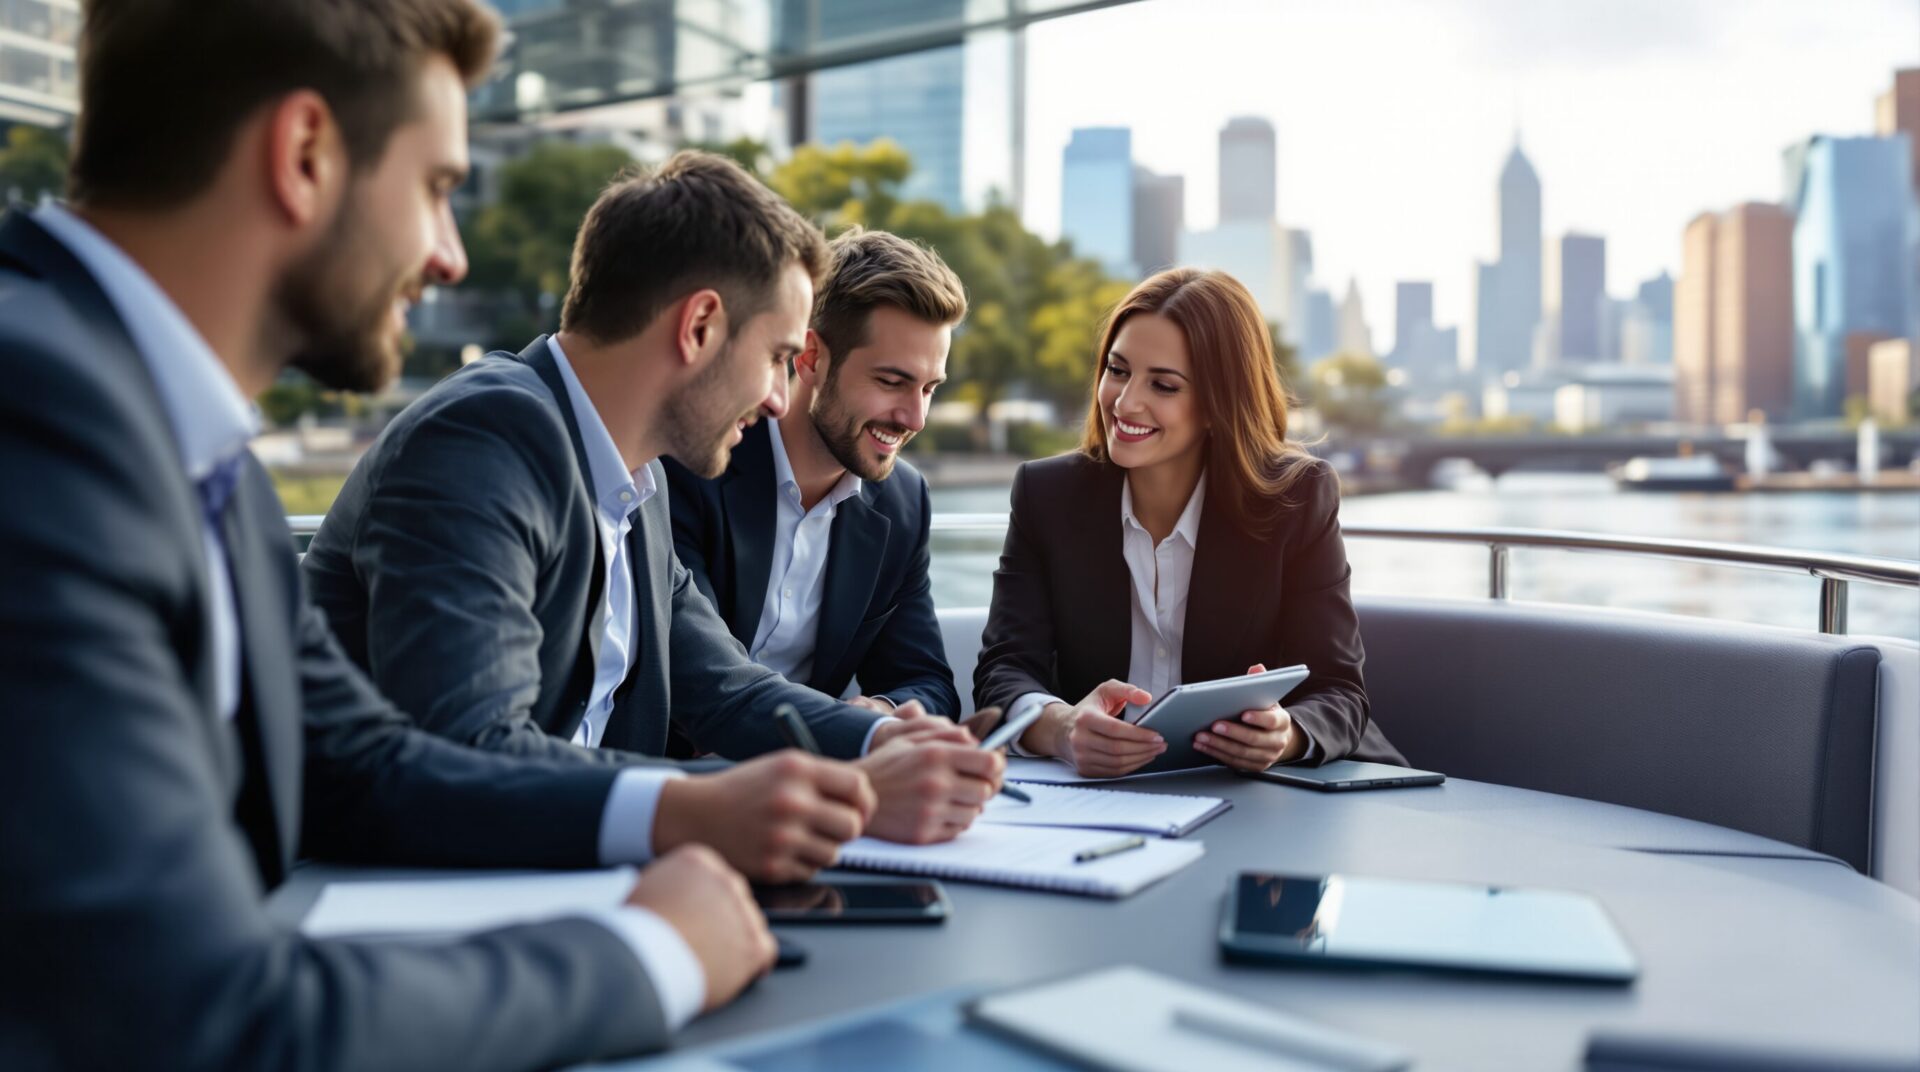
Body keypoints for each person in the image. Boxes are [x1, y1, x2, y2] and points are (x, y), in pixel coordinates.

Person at [0, 3, 799, 1068]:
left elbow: (360, 764)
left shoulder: (194, 453)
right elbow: (200, 1016)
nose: (450, 257)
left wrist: (675, 813)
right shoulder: (39, 418)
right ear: (305, 155)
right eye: (436, 189)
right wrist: (650, 950)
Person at [303, 155, 1003, 850]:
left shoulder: (640, 479)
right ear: (699, 326)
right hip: (395, 891)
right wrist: (717, 808)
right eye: (775, 357)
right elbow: (471, 752)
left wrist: (890, 739)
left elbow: (725, 688)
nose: (778, 399)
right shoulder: (482, 440)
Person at [974, 268, 1405, 778]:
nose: (1126, 401)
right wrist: (1063, 728)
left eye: (1163, 384)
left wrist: (1285, 734)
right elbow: (1004, 669)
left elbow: (1339, 690)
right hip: (1105, 796)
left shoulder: (1297, 498)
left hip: (1274, 794)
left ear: (1218, 403)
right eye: (1118, 370)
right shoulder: (1047, 495)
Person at [664, 227, 965, 720]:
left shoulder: (903, 502)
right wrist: (851, 730)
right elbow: (699, 677)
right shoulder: (694, 462)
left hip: (817, 778)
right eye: (892, 382)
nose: (915, 418)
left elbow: (926, 680)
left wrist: (885, 711)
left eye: (930, 388)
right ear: (810, 358)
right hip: (675, 779)